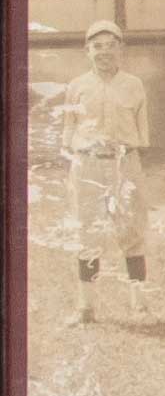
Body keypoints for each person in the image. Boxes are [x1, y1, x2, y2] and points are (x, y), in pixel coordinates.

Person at [42, 20, 153, 325]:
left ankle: (140, 307)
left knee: (132, 232)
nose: (104, 52)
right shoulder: (77, 86)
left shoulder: (134, 84)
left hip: (123, 163)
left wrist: (128, 163)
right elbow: (69, 131)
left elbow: (142, 133)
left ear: (121, 49)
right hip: (87, 164)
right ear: (87, 51)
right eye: (97, 47)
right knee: (87, 233)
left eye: (111, 46)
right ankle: (85, 308)